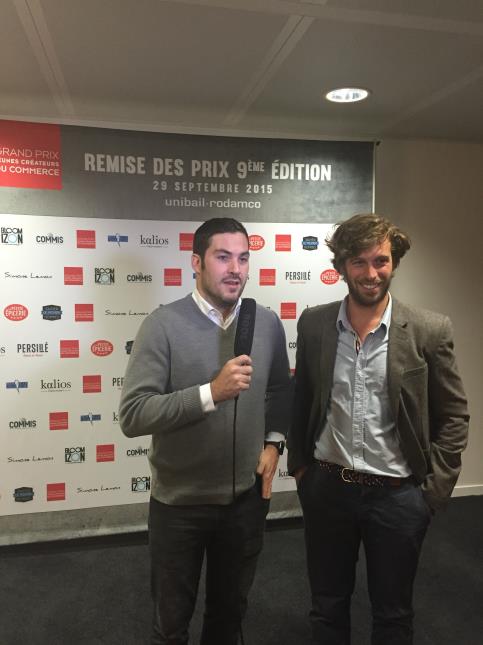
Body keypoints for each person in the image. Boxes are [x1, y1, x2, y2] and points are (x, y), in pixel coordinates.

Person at [288, 213, 469, 645]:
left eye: (381, 261)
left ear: (394, 263)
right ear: (342, 266)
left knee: (392, 614)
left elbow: (454, 416)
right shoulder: (314, 324)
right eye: (360, 262)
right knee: (328, 605)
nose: (372, 274)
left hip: (399, 497)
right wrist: (301, 469)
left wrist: (432, 493)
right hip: (329, 489)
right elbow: (302, 400)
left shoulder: (428, 329)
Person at [119, 217, 291, 645]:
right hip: (180, 506)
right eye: (222, 257)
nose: (235, 268)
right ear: (196, 262)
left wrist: (273, 445)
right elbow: (134, 415)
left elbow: (279, 392)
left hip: (245, 503)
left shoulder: (266, 322)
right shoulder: (162, 325)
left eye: (244, 258)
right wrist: (210, 393)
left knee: (228, 619)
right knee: (171, 624)